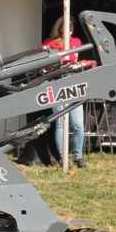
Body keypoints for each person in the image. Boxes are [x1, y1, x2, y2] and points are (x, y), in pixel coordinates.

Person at [41, 15, 95, 169]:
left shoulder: (77, 42)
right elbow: (44, 63)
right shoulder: (51, 44)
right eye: (67, 25)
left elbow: (76, 61)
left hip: (74, 84)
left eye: (72, 25)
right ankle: (63, 158)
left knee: (78, 124)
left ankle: (78, 157)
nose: (70, 28)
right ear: (60, 27)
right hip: (58, 83)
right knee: (60, 123)